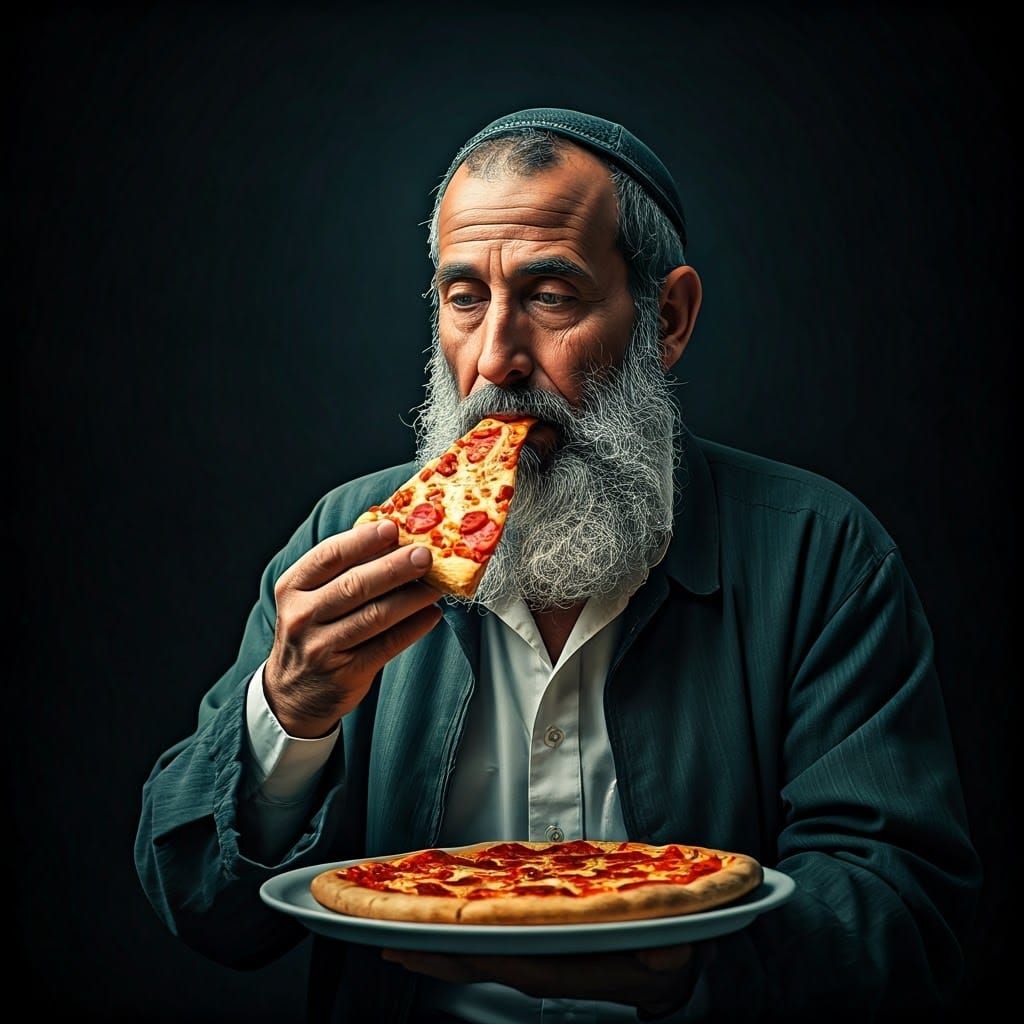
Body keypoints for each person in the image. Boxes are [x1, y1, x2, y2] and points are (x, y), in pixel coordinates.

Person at [134, 107, 982, 1023]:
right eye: (464, 298)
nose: (496, 360)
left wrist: (695, 962)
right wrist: (288, 715)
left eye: (549, 296)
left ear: (667, 317)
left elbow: (902, 912)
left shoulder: (822, 553)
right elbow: (200, 909)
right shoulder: (345, 541)